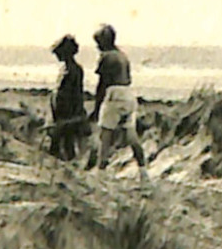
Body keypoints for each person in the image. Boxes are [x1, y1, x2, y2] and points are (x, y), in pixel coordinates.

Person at [89, 24, 147, 170]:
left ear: (104, 41)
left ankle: (101, 171)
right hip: (128, 94)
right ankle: (143, 171)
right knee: (131, 136)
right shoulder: (123, 56)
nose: (97, 47)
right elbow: (129, 79)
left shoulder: (106, 57)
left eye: (98, 43)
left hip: (114, 94)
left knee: (105, 136)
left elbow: (102, 84)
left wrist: (97, 108)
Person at [47, 35, 90, 161]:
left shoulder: (74, 70)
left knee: (65, 143)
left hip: (68, 113)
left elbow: (76, 93)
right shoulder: (65, 69)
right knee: (62, 143)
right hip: (61, 113)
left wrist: (76, 113)